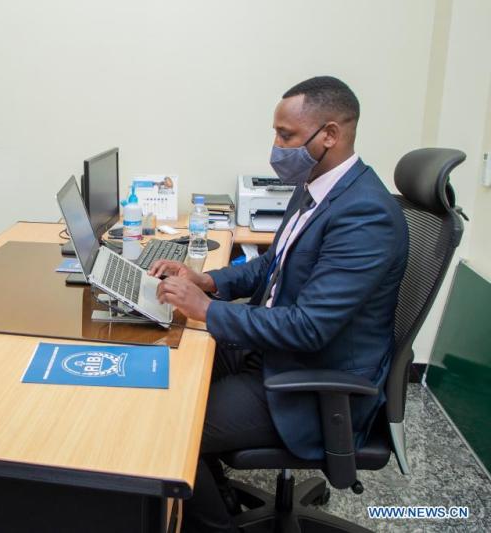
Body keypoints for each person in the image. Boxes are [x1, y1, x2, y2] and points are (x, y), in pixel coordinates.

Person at [150, 76, 409, 531]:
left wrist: (206, 310)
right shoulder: (317, 188)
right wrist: (205, 280)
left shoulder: (365, 214)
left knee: (170, 428)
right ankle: (214, 494)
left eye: (286, 136)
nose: (277, 147)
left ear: (330, 134)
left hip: (306, 382)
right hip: (272, 352)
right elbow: (272, 265)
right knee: (164, 373)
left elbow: (310, 327)